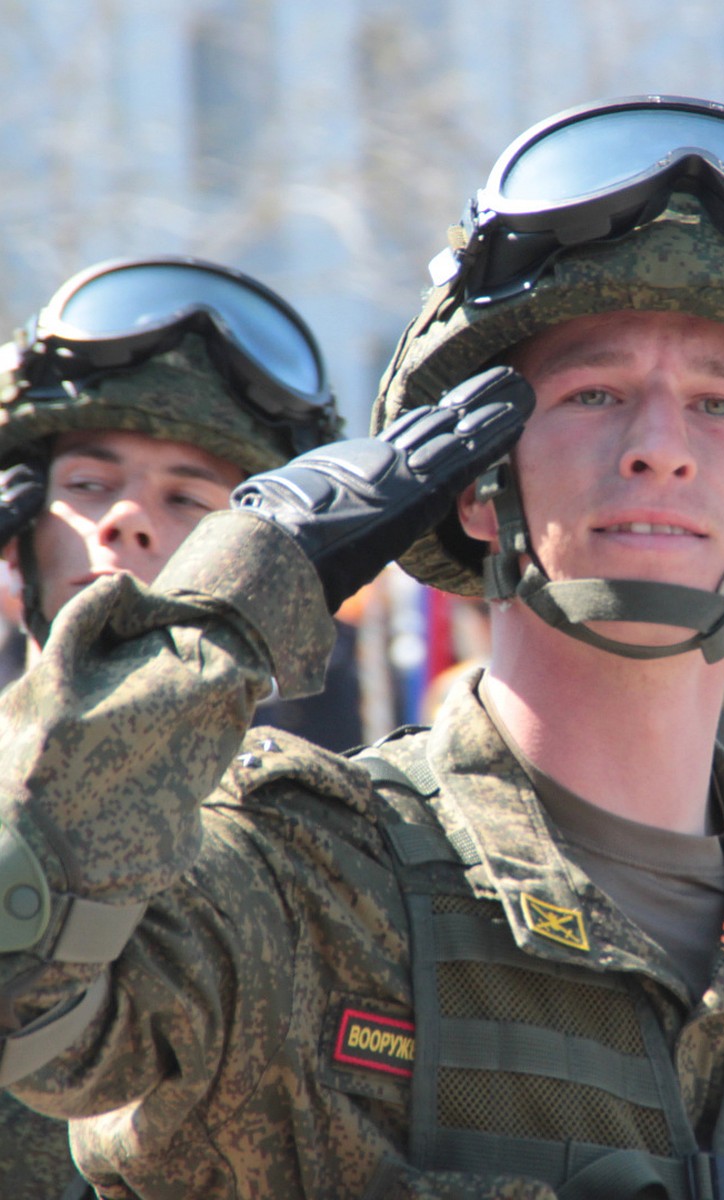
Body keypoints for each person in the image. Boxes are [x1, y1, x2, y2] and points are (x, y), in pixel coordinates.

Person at [0, 96, 724, 1198]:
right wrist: (236, 594)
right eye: (596, 392)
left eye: (719, 405)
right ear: (480, 485)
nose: (659, 447)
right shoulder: (297, 891)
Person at [0, 254, 343, 1200]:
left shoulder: (320, 840)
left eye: (190, 499)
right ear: (19, 531)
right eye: (85, 483)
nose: (126, 523)